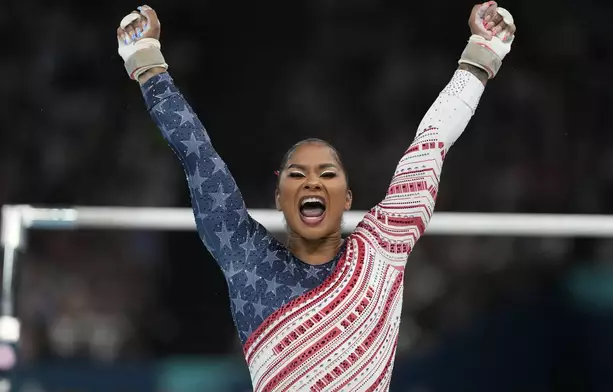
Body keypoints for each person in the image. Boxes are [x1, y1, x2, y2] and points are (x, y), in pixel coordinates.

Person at [116, 2, 516, 390]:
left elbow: (432, 143)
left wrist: (481, 54)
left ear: (347, 198)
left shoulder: (381, 249)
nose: (312, 183)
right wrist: (147, 63)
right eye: (297, 175)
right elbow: (197, 156)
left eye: (327, 174)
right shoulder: (247, 259)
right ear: (278, 198)